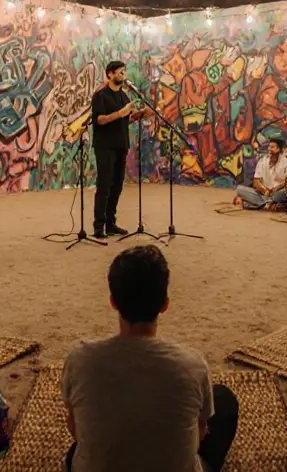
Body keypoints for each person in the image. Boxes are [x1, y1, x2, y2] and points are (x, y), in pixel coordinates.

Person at [62, 245, 238, 472]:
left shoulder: (80, 361)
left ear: (112, 301)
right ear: (165, 304)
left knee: (75, 453)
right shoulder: (192, 365)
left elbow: (75, 427)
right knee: (224, 401)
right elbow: (200, 432)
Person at [91, 61, 154, 239]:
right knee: (104, 186)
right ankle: (99, 226)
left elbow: (126, 119)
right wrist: (120, 113)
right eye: (120, 72)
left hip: (121, 145)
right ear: (110, 74)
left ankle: (111, 223)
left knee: (117, 185)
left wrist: (140, 115)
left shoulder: (124, 96)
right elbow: (100, 120)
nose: (123, 75)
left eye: (124, 72)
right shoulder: (100, 96)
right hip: (105, 146)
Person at [233, 137, 287, 210]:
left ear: (278, 149)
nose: (269, 149)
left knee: (280, 195)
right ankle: (268, 204)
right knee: (240, 189)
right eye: (269, 146)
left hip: (278, 193)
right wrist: (265, 190)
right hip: (264, 194)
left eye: (272, 147)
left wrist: (276, 188)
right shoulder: (262, 161)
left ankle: (255, 204)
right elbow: (256, 181)